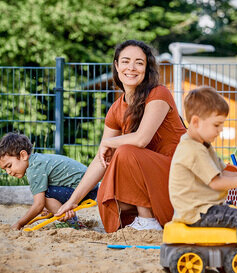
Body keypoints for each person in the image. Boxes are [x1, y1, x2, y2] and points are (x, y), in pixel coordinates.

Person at [55, 40, 186, 232]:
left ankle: (148, 220)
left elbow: (141, 139)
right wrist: (72, 201)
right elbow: (101, 160)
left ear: (146, 68)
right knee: (105, 198)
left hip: (178, 178)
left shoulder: (159, 94)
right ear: (116, 66)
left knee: (125, 151)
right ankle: (147, 218)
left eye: (139, 63)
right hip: (151, 182)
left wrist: (109, 142)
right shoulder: (116, 109)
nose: (131, 68)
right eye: (125, 61)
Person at [169, 86, 237, 273]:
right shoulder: (194, 150)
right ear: (196, 121)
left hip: (201, 207)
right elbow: (216, 182)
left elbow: (223, 172)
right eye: (217, 125)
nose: (221, 130)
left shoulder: (202, 145)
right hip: (198, 212)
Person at [0, 132, 98, 230]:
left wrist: (19, 224)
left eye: (9, 166)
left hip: (84, 190)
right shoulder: (38, 160)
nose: (8, 172)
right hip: (89, 187)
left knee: (44, 195)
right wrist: (51, 208)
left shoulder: (34, 168)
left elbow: (39, 205)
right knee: (44, 193)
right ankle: (68, 216)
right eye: (5, 169)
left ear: (23, 155)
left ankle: (71, 222)